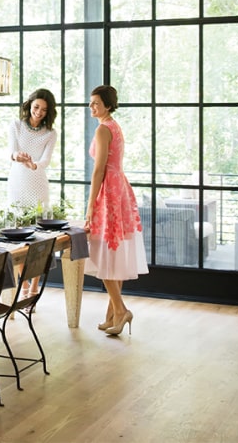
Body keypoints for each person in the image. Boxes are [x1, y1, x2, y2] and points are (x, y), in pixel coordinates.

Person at [83, 85, 148, 336]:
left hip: (109, 192)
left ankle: (120, 311)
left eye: (96, 103)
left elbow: (99, 170)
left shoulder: (102, 129)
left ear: (108, 105)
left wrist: (91, 205)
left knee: (103, 254)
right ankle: (111, 313)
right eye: (90, 103)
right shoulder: (115, 126)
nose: (92, 107)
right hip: (119, 187)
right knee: (115, 252)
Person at [8, 88, 58, 299]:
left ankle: (34, 287)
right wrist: (18, 156)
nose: (39, 112)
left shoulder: (50, 133)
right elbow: (11, 152)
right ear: (29, 105)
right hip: (17, 182)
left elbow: (46, 160)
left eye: (44, 110)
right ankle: (23, 283)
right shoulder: (16, 125)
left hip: (37, 182)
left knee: (38, 239)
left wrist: (33, 165)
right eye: (36, 107)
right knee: (18, 236)